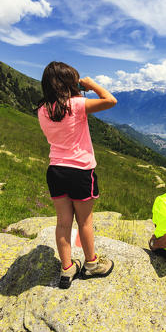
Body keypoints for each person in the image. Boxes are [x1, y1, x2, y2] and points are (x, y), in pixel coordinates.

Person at [37, 61, 116, 289]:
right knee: (85, 222)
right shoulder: (77, 104)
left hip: (55, 171)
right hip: (80, 171)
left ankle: (67, 268)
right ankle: (91, 264)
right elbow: (111, 100)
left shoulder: (42, 109)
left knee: (63, 223)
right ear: (69, 82)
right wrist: (91, 84)